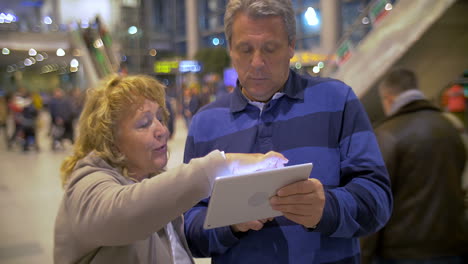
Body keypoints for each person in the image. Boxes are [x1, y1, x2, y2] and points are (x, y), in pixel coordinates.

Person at [182, 0, 392, 263]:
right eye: (245, 49)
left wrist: (327, 207)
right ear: (230, 50)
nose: (257, 62)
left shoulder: (337, 101)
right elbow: (186, 232)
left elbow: (379, 202)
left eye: (270, 48)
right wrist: (229, 224)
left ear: (291, 45)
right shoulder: (205, 123)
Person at [53, 74, 288, 264]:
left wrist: (234, 224)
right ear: (109, 138)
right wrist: (219, 165)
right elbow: (124, 212)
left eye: (160, 118)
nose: (162, 130)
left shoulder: (150, 181)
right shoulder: (85, 183)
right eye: (144, 123)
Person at [360, 68, 468, 264]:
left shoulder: (387, 134)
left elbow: (374, 202)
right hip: (452, 247)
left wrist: (364, 255)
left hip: (402, 253)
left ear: (389, 99)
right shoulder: (450, 128)